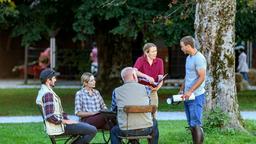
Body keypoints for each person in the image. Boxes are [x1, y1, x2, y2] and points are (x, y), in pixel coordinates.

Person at [36, 68, 97, 144]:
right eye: (54, 78)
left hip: (58, 126)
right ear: (48, 80)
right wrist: (66, 121)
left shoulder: (43, 91)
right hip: (59, 128)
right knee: (92, 130)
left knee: (85, 127)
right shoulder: (48, 94)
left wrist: (68, 119)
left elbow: (57, 112)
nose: (55, 80)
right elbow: (50, 116)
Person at [110, 67, 159, 144]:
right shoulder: (146, 89)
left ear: (123, 78)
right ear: (134, 76)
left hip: (125, 130)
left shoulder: (116, 91)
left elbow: (113, 110)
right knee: (154, 122)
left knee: (113, 131)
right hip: (146, 129)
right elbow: (149, 105)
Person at [179, 36, 207, 144]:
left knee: (196, 124)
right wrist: (182, 89)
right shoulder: (189, 58)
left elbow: (202, 77)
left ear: (188, 46)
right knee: (191, 124)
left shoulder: (199, 58)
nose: (181, 49)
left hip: (196, 95)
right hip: (187, 95)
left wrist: (190, 91)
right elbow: (188, 75)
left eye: (182, 47)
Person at [133, 43, 164, 109]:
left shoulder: (159, 61)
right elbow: (134, 71)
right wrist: (146, 76)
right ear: (146, 53)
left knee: (154, 111)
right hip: (141, 90)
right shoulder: (140, 60)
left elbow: (161, 78)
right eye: (153, 51)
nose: (155, 53)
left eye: (156, 51)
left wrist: (157, 88)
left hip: (153, 90)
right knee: (141, 110)